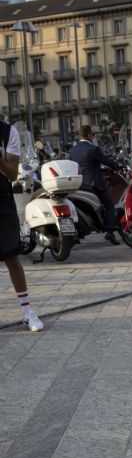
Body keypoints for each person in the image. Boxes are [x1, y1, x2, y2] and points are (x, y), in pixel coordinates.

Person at [0, 120, 43, 332]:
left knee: (12, 256)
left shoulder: (8, 132)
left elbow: (12, 173)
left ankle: (27, 312)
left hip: (1, 199)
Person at [69, 125, 121, 245]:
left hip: (80, 186)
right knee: (109, 205)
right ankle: (110, 232)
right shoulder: (93, 149)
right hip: (94, 185)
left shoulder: (73, 151)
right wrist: (118, 166)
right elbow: (106, 161)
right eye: (92, 134)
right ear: (89, 135)